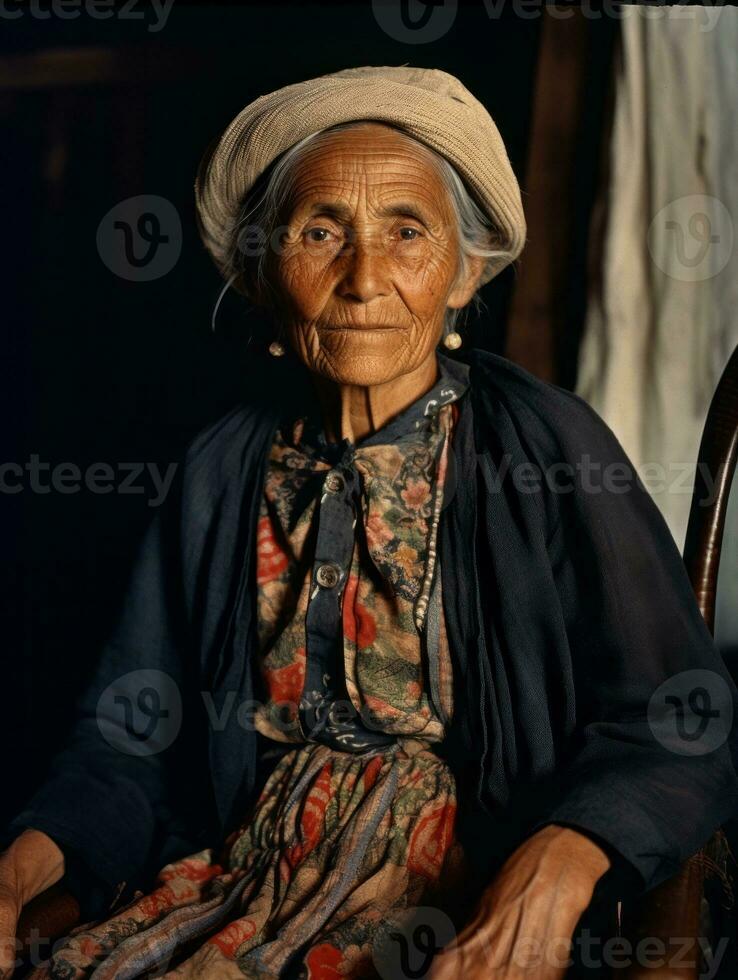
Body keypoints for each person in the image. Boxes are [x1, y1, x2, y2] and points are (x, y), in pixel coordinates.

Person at [1, 66, 736, 980]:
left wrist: (561, 862)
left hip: (465, 904)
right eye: (321, 232)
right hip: (241, 887)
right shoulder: (221, 468)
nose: (363, 280)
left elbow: (680, 717)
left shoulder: (546, 445)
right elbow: (126, 738)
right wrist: (18, 865)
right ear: (268, 275)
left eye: (406, 232)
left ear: (463, 275)